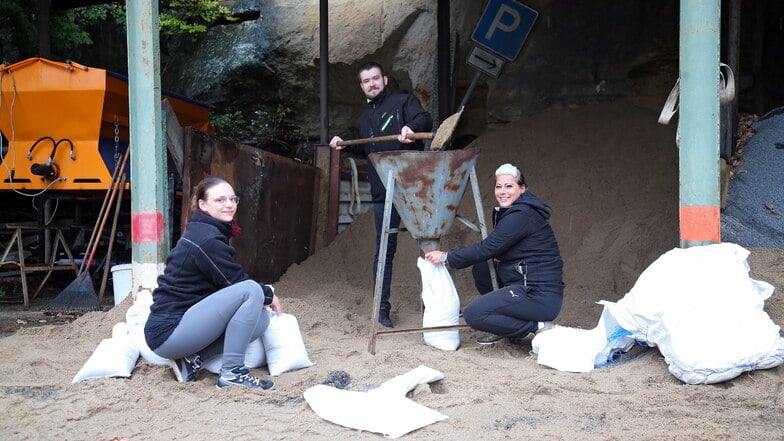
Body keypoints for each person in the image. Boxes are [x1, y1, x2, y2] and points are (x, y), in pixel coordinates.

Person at [144, 177, 282, 389]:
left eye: (232, 199)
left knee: (260, 319)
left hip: (185, 324)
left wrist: (262, 297)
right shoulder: (206, 239)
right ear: (203, 205)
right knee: (251, 291)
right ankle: (232, 374)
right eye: (220, 200)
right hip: (168, 331)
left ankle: (190, 360)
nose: (229, 204)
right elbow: (234, 281)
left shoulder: (207, 231)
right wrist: (269, 294)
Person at [330, 61, 433, 328]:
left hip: (411, 189)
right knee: (384, 249)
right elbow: (361, 147)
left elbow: (425, 119)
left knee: (427, 244)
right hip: (381, 195)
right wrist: (341, 141)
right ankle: (382, 306)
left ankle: (434, 306)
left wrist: (411, 129)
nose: (372, 84)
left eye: (375, 79)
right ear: (362, 86)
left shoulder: (403, 102)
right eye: (366, 81)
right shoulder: (364, 119)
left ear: (385, 80)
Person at [424, 163, 564, 344]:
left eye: (509, 186)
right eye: (499, 186)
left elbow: (488, 248)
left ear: (522, 189)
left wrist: (446, 257)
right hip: (524, 282)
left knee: (474, 314)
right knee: (482, 268)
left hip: (538, 294)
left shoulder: (521, 215)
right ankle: (505, 325)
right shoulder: (516, 211)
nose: (502, 191)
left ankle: (537, 327)